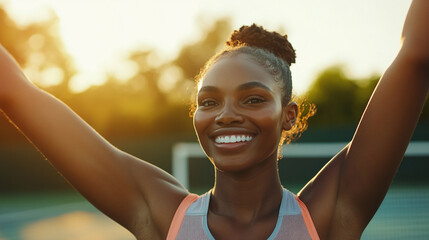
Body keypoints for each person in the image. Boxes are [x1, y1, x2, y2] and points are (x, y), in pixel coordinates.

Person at [0, 0, 428, 239]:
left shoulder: (329, 214)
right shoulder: (163, 216)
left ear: (288, 116)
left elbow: (416, 56)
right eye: (208, 102)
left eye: (253, 98)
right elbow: (15, 90)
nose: (226, 115)